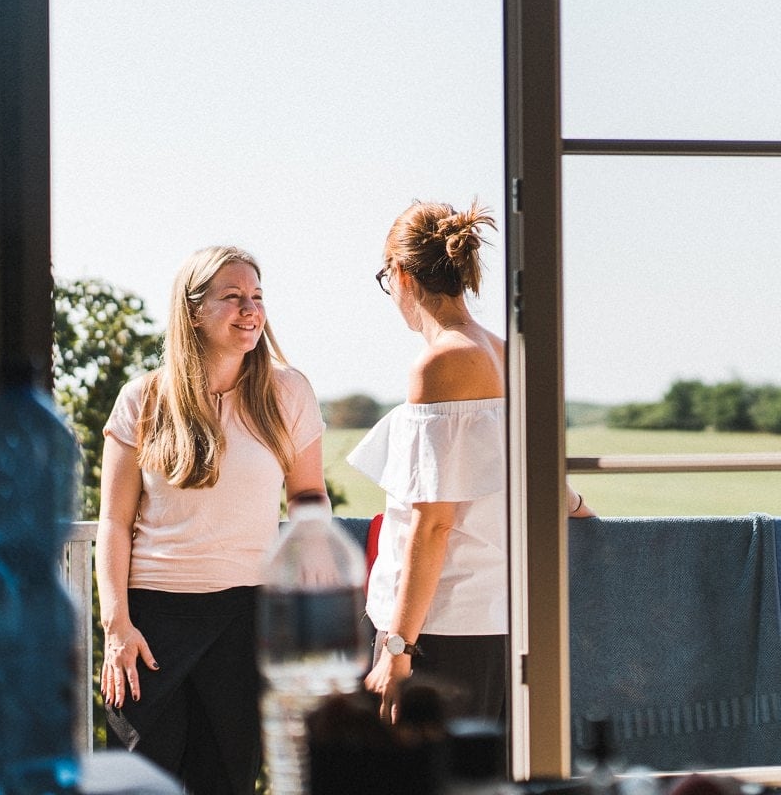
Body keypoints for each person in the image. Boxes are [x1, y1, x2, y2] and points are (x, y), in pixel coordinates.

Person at [348, 199, 594, 727]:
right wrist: (582, 511)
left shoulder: (441, 361)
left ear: (401, 275)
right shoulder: (504, 351)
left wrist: (397, 646)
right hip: (497, 618)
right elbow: (532, 473)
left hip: (442, 627)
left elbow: (433, 523)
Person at [97, 246, 326, 794]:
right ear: (193, 311)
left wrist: (312, 548)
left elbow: (308, 492)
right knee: (139, 780)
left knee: (226, 779)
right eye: (232, 297)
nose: (250, 310)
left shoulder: (287, 391)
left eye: (257, 297)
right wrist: (116, 626)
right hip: (150, 625)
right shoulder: (143, 399)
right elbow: (113, 521)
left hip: (246, 614)